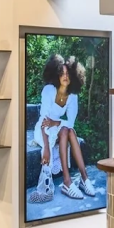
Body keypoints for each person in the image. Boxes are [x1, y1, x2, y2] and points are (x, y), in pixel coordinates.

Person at [33, 54, 96, 200]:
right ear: (56, 75)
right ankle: (68, 182)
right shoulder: (49, 90)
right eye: (61, 73)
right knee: (66, 130)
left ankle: (83, 178)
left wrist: (56, 123)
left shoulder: (72, 95)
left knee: (69, 131)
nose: (65, 77)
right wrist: (47, 149)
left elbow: (71, 123)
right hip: (43, 129)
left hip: (57, 127)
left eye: (68, 74)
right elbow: (44, 120)